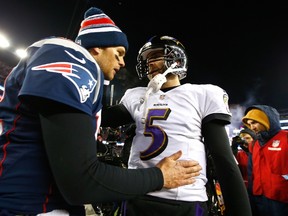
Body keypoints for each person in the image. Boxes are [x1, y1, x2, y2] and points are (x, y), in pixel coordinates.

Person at [0, 8, 202, 215]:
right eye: (119, 53)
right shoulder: (72, 57)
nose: (123, 62)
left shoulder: (198, 94)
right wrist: (159, 176)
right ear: (97, 48)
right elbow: (81, 181)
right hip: (31, 206)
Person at [102, 35, 252, 216]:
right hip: (138, 195)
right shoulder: (137, 96)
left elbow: (223, 158)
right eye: (147, 59)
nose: (149, 63)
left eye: (155, 56)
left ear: (177, 59)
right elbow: (99, 117)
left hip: (184, 200)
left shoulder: (201, 94)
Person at [242, 105, 288, 216]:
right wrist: (251, 194)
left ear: (266, 121)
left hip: (281, 199)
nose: (252, 127)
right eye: (250, 124)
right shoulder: (255, 144)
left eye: (254, 122)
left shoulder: (285, 138)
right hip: (259, 197)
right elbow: (251, 171)